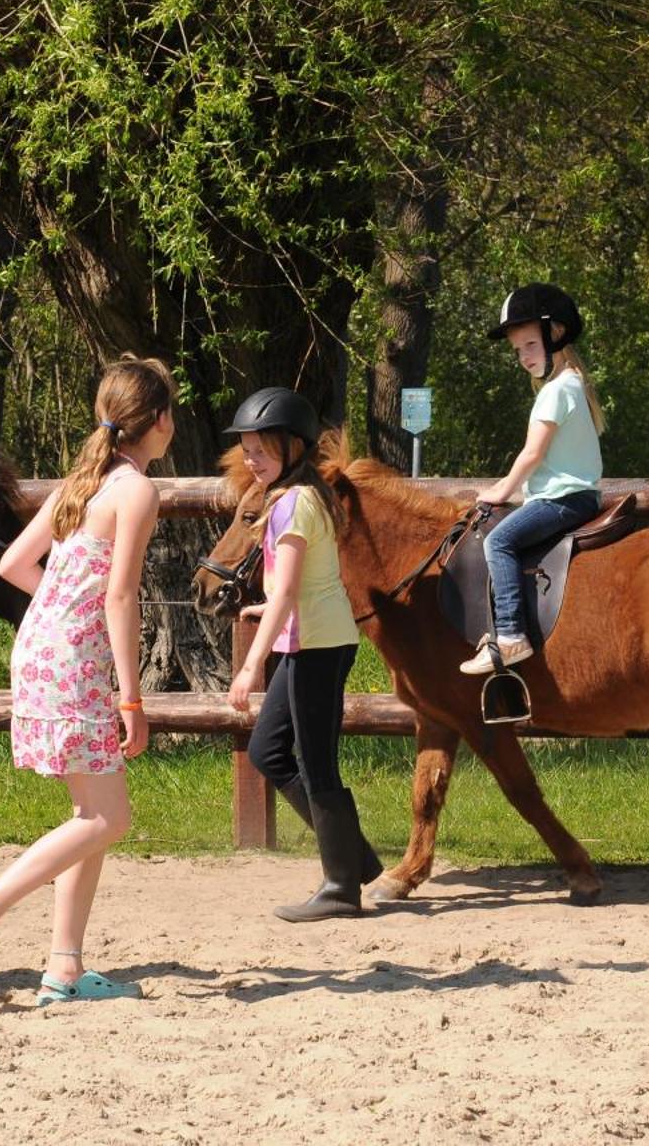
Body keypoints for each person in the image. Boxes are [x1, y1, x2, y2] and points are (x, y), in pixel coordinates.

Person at [0, 355, 175, 1005]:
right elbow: (121, 599)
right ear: (158, 422)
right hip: (76, 664)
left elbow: (14, 563)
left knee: (90, 811)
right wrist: (132, 698)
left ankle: (64, 968)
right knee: (109, 819)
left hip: (41, 650)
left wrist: (62, 611)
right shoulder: (136, 491)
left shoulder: (82, 482)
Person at [222, 387, 380, 923]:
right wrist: (263, 610)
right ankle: (354, 857)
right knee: (270, 752)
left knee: (316, 764)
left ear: (293, 448)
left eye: (261, 452)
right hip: (309, 637)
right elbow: (293, 587)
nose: (251, 460)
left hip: (317, 642)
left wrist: (248, 667)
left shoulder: (293, 502)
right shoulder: (300, 496)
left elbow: (289, 591)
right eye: (246, 451)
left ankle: (340, 886)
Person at [460, 283, 606, 675]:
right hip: (573, 495)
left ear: (554, 334)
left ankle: (510, 636)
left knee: (499, 541)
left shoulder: (557, 391)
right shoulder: (572, 383)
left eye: (529, 345)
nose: (523, 357)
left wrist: (501, 491)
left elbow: (532, 454)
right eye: (517, 350)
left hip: (563, 500)